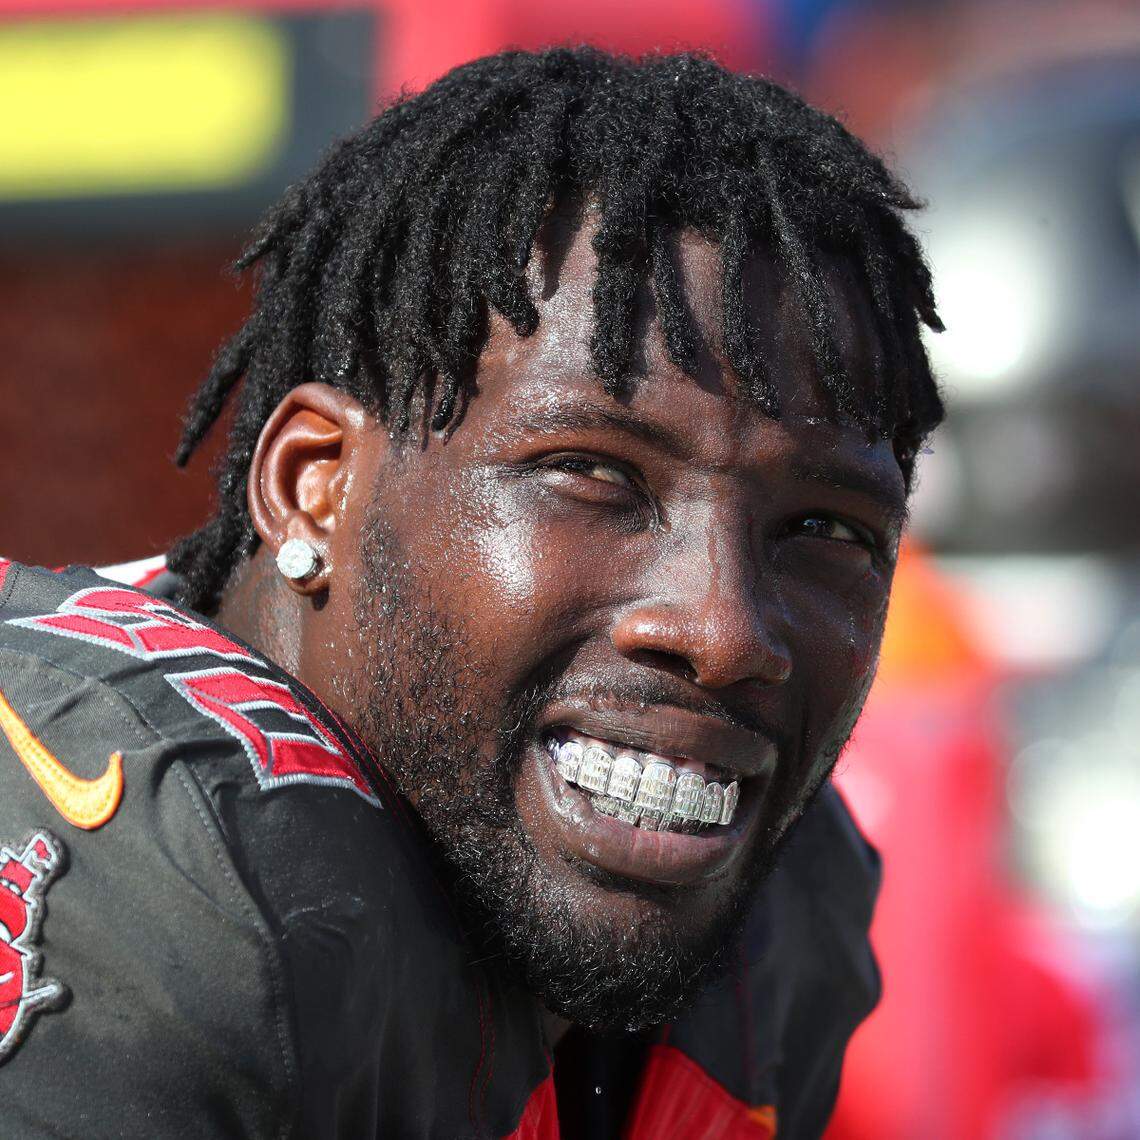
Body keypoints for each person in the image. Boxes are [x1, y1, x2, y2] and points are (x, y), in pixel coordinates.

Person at [0, 47, 943, 1139]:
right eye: (594, 474)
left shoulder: (784, 925)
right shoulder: (143, 880)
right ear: (315, 488)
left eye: (825, 530)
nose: (726, 632)